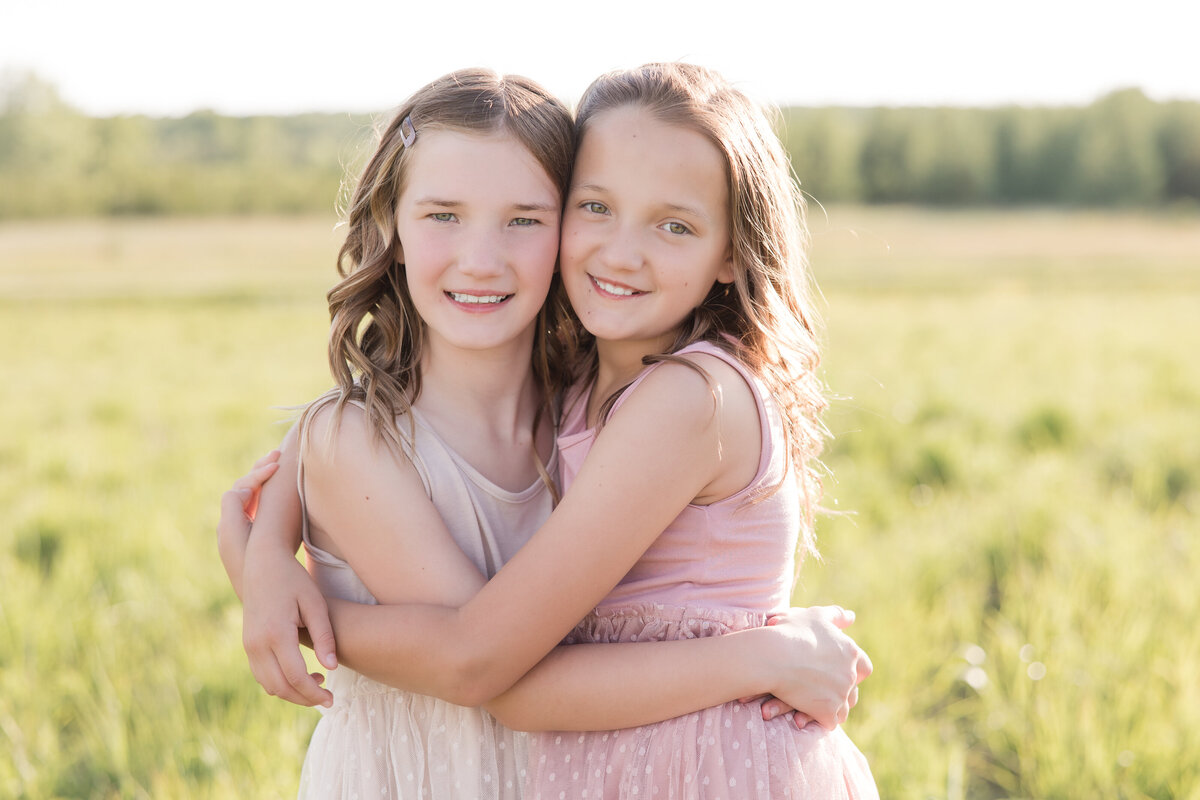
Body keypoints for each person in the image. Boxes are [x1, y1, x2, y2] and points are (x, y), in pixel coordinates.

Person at [218, 65, 871, 799]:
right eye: (598, 207)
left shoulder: (649, 401)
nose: (482, 257)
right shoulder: (580, 395)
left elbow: (479, 663)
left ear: (730, 252)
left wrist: (286, 599)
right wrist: (271, 552)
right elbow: (319, 445)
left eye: (525, 218)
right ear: (390, 227)